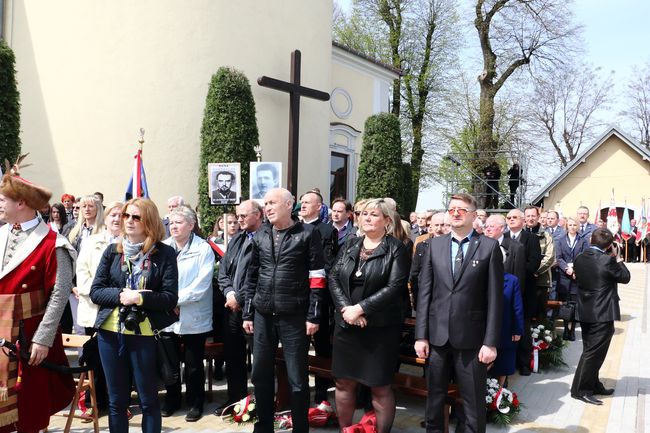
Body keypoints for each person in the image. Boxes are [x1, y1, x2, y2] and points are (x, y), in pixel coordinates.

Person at [415, 193, 503, 433]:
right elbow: (425, 294)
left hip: (472, 340)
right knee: (434, 400)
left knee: (474, 403)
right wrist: (420, 335)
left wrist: (490, 342)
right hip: (437, 338)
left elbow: (495, 299)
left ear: (474, 216)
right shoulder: (434, 245)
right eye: (452, 208)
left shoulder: (489, 247)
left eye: (462, 209)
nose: (455, 213)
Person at [90, 198, 179, 433]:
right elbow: (96, 291)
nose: (127, 220)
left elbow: (170, 298)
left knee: (148, 400)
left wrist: (139, 298)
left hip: (145, 334)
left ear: (148, 221)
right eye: (126, 215)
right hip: (110, 334)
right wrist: (121, 294)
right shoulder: (112, 250)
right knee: (116, 401)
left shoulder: (165, 253)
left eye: (135, 217)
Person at [0, 160, 76, 433]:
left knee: (28, 411)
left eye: (3, 199)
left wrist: (42, 338)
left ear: (21, 203)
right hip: (0, 333)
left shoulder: (54, 244)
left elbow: (59, 295)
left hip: (28, 337)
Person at [241, 188, 326, 433]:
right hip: (263, 314)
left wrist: (313, 314)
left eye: (272, 203)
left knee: (297, 378)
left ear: (289, 205)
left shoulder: (308, 234)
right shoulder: (260, 235)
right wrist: (248, 313)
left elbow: (317, 276)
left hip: (294, 315)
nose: (266, 207)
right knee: (260, 375)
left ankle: (300, 428)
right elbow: (252, 276)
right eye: (265, 203)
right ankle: (264, 426)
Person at [329, 198, 409, 433]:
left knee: (379, 386)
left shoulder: (397, 248)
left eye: (374, 215)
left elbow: (395, 287)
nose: (367, 218)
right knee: (343, 382)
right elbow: (333, 277)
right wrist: (347, 310)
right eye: (364, 214)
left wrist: (361, 309)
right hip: (347, 325)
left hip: (380, 329)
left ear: (386, 221)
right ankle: (346, 429)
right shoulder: (350, 244)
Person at [161, 205, 214, 421]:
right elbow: (156, 279)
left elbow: (201, 284)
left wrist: (175, 300)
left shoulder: (203, 249)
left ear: (191, 225)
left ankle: (195, 403)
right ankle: (172, 399)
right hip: (166, 315)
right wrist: (166, 301)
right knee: (169, 363)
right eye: (171, 222)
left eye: (179, 222)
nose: (173, 226)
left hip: (193, 314)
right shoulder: (162, 247)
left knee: (193, 365)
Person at [571, 228, 630, 405]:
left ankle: (593, 384)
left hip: (586, 310)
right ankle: (581, 390)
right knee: (593, 353)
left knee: (591, 350)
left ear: (591, 240)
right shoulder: (607, 261)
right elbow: (625, 277)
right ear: (609, 245)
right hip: (602, 313)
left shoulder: (580, 257)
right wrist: (618, 258)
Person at [215, 200, 263, 414]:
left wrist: (239, 297)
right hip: (232, 307)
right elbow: (223, 271)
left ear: (258, 215)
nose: (239, 220)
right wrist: (230, 293)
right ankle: (236, 400)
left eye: (244, 215)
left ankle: (262, 404)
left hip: (254, 310)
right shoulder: (237, 238)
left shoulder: (266, 238)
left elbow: (260, 276)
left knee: (260, 361)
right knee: (234, 357)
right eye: (237, 216)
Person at [76, 200, 124, 417]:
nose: (117, 219)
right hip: (95, 309)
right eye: (113, 215)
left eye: (121, 215)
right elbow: (82, 275)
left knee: (119, 361)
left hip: (122, 311)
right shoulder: (92, 242)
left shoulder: (133, 243)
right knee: (96, 359)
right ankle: (98, 403)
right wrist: (101, 294)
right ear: (106, 218)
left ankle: (119, 403)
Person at [299, 189, 339, 404]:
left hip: (317, 296)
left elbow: (327, 261)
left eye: (307, 202)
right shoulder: (294, 228)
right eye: (301, 202)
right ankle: (300, 389)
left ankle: (322, 389)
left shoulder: (326, 230)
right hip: (297, 294)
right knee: (299, 345)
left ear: (319, 207)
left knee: (322, 344)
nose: (302, 205)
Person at [506, 208, 542, 376]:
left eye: (514, 217)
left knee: (523, 328)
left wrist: (514, 274)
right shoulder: (503, 238)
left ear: (522, 220)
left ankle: (524, 363)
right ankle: (508, 362)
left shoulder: (532, 239)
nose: (511, 220)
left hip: (524, 289)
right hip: (504, 290)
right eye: (508, 217)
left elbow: (534, 263)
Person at [556, 217, 589, 341]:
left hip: (577, 275)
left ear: (578, 226)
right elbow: (558, 258)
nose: (572, 227)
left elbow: (586, 257)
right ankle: (566, 329)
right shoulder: (560, 240)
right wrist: (566, 269)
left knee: (574, 304)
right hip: (564, 276)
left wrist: (576, 270)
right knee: (565, 304)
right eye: (570, 225)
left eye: (575, 225)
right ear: (567, 226)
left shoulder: (583, 240)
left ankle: (572, 330)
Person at [490, 272, 523, 386]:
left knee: (504, 360)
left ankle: (500, 389)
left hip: (506, 328)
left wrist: (517, 330)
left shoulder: (512, 280)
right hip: (485, 329)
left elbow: (517, 307)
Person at [524, 206, 556, 320]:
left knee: (540, 313)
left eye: (533, 216)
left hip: (541, 280)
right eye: (528, 216)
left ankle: (542, 337)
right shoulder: (520, 235)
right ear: (524, 217)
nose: (531, 218)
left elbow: (550, 257)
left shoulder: (546, 235)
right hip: (523, 279)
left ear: (538, 217)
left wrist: (535, 271)